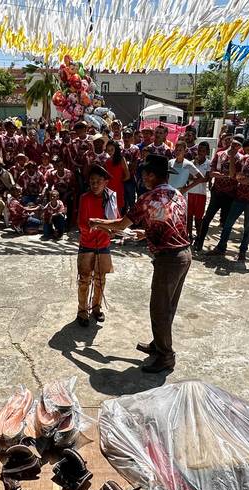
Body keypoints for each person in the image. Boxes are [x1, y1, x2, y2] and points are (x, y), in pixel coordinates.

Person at [90, 155, 191, 374]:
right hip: (184, 255)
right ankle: (159, 344)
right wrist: (146, 233)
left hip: (169, 259)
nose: (143, 178)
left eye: (145, 174)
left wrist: (97, 222)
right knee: (168, 306)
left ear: (151, 175)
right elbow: (172, 224)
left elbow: (118, 224)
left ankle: (166, 357)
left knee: (159, 309)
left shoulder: (148, 198)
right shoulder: (177, 194)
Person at [207, 137, 249, 262]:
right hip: (239, 196)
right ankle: (221, 247)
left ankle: (243, 251)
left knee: (248, 227)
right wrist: (235, 167)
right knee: (228, 224)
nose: (247, 152)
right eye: (245, 150)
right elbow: (233, 174)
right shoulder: (244, 159)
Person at [75, 165, 118, 327]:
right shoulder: (85, 198)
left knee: (100, 279)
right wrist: (100, 227)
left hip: (104, 244)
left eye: (98, 181)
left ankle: (96, 307)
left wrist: (113, 230)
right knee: (84, 279)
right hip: (87, 243)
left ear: (105, 182)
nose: (95, 185)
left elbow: (116, 219)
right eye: (92, 181)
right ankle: (82, 310)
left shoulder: (111, 198)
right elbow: (81, 223)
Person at [195, 135, 242, 252]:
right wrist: (218, 175)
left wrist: (231, 158)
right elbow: (211, 172)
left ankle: (222, 246)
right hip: (217, 192)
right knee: (207, 219)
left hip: (230, 194)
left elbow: (233, 175)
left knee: (226, 222)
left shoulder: (241, 158)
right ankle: (199, 242)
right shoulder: (220, 154)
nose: (233, 145)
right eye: (231, 142)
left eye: (236, 144)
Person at [184, 141, 211, 242]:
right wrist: (198, 178)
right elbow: (187, 176)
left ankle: (199, 236)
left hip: (201, 194)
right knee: (189, 216)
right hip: (190, 192)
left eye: (203, 150)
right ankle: (189, 235)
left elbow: (206, 179)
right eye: (199, 150)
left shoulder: (208, 163)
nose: (200, 152)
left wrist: (194, 178)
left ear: (207, 151)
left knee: (199, 218)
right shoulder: (191, 163)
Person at [104, 141, 130, 213]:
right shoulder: (107, 161)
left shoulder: (121, 159)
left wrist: (119, 181)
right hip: (108, 187)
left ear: (116, 149)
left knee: (118, 208)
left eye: (112, 149)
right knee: (109, 209)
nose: (110, 152)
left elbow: (127, 175)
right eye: (108, 150)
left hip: (118, 187)